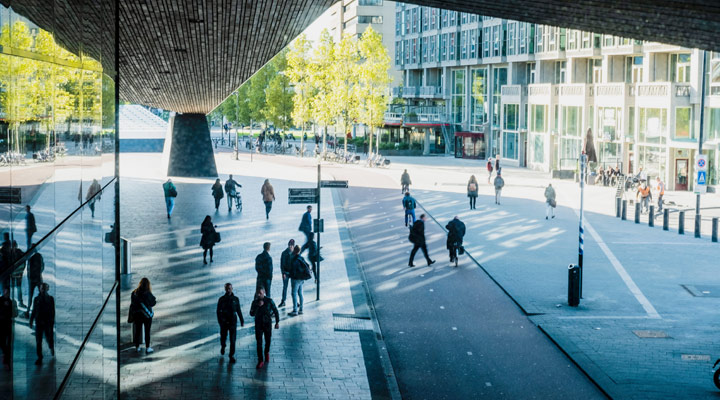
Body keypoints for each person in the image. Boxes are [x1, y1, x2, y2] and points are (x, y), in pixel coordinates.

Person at [249, 287, 279, 369]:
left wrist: (277, 322)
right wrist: (257, 307)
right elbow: (251, 313)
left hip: (267, 324)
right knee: (259, 342)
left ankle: (266, 352)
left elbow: (276, 311)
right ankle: (260, 360)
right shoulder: (254, 302)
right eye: (257, 293)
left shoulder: (269, 301)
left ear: (264, 292)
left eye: (260, 293)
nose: (259, 295)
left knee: (268, 340)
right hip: (258, 324)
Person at [216, 283, 244, 363]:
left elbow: (238, 310)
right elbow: (218, 312)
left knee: (233, 340)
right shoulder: (221, 299)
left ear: (232, 289)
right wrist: (220, 322)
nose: (228, 290)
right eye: (227, 288)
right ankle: (223, 346)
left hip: (233, 322)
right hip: (224, 322)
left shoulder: (236, 299)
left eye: (230, 288)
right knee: (223, 337)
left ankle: (231, 355)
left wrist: (242, 320)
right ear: (225, 289)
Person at [29, 283, 54, 364]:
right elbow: (34, 310)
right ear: (39, 289)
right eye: (41, 287)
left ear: (47, 289)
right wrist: (31, 320)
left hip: (47, 322)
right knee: (38, 341)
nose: (42, 289)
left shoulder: (50, 299)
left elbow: (52, 311)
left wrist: (51, 322)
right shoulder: (36, 299)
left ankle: (51, 346)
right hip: (39, 323)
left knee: (48, 337)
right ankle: (39, 357)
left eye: (44, 287)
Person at [129, 277, 156, 354]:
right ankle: (148, 347)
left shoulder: (134, 293)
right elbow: (153, 303)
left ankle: (137, 347)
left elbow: (133, 303)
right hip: (147, 316)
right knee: (147, 331)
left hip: (137, 315)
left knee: (137, 331)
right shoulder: (148, 293)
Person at [289, 245, 311, 316]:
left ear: (295, 250)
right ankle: (301, 309)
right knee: (300, 294)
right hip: (301, 279)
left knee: (294, 294)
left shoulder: (295, 260)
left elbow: (293, 270)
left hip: (295, 279)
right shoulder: (301, 258)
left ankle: (295, 310)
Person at [0, 287, 17, 367]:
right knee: (2, 341)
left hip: (8, 324)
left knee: (8, 342)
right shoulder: (0, 300)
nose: (7, 294)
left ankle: (7, 358)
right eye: (5, 292)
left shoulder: (12, 302)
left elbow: (15, 314)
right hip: (1, 324)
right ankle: (5, 354)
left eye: (8, 292)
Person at [25, 248, 44, 318]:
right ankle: (41, 310)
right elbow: (42, 267)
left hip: (32, 279)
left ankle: (28, 310)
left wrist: (29, 277)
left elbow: (28, 269)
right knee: (41, 294)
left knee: (31, 295)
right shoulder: (39, 256)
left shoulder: (30, 258)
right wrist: (39, 273)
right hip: (37, 278)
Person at [279, 239, 295, 307]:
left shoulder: (295, 252)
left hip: (293, 273)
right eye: (289, 245)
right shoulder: (284, 253)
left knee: (294, 288)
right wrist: (283, 273)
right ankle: (283, 300)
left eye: (292, 246)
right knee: (285, 287)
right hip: (286, 273)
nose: (290, 247)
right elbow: (282, 264)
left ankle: (295, 301)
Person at [9, 241, 25, 308]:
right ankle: (15, 301)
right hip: (14, 274)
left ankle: (20, 302)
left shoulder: (18, 252)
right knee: (13, 288)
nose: (13, 247)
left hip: (17, 274)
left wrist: (21, 271)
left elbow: (23, 261)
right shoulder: (11, 253)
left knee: (18, 288)